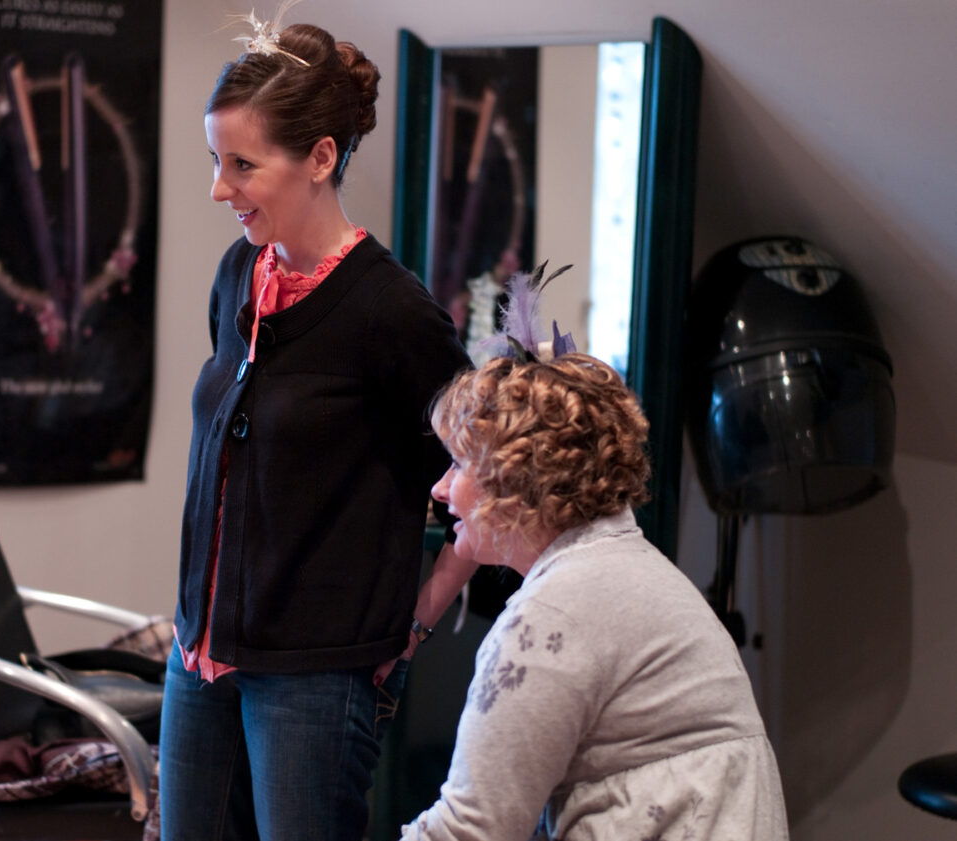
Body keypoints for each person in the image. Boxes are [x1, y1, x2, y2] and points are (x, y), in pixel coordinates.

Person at [158, 11, 476, 841]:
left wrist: (413, 622)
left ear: (321, 158)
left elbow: (488, 482)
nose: (220, 189)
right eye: (215, 163)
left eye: (241, 166)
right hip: (198, 659)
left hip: (313, 682)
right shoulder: (238, 275)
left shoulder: (394, 314)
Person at [401, 337, 790, 839]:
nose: (439, 488)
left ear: (515, 480)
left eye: (457, 464)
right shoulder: (628, 568)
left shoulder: (554, 614)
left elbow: (474, 828)